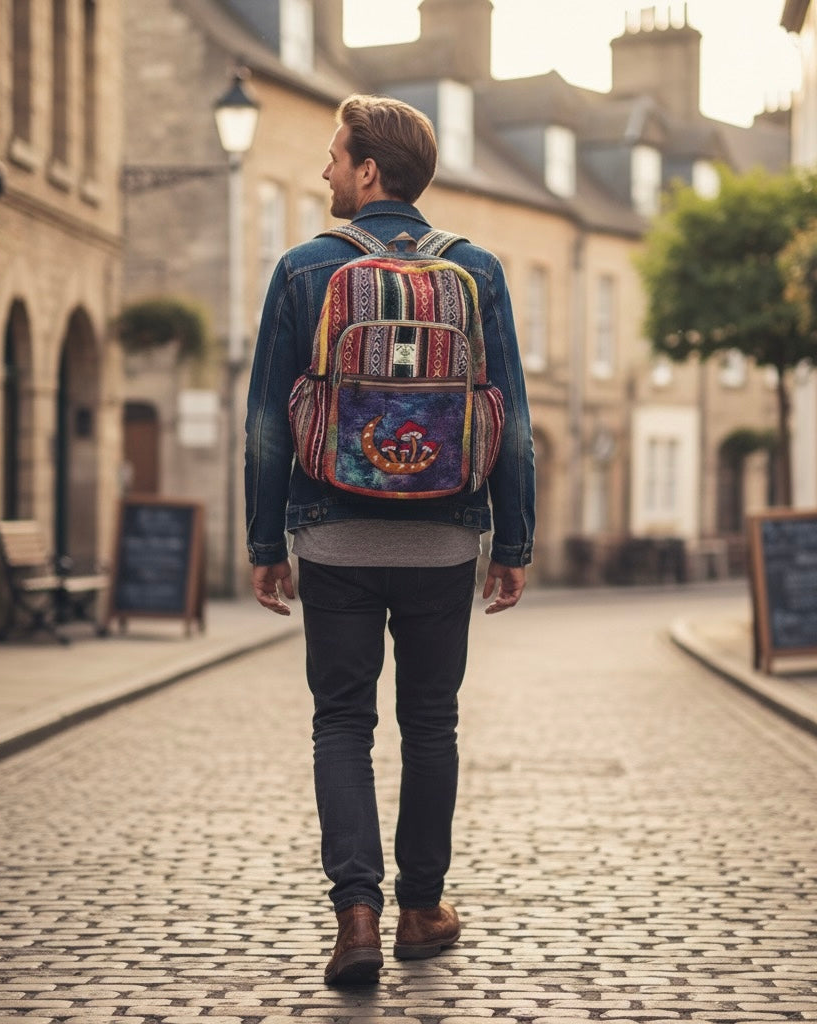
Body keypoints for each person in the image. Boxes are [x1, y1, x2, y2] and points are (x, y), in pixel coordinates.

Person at [244, 94, 535, 985]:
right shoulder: (476, 270)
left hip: (332, 535)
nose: (325, 169)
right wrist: (512, 541)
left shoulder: (302, 270)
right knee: (432, 724)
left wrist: (266, 541)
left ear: (369, 170)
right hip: (445, 539)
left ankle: (357, 918)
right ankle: (421, 909)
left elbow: (264, 424)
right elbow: (514, 424)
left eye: (335, 155)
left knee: (341, 721)